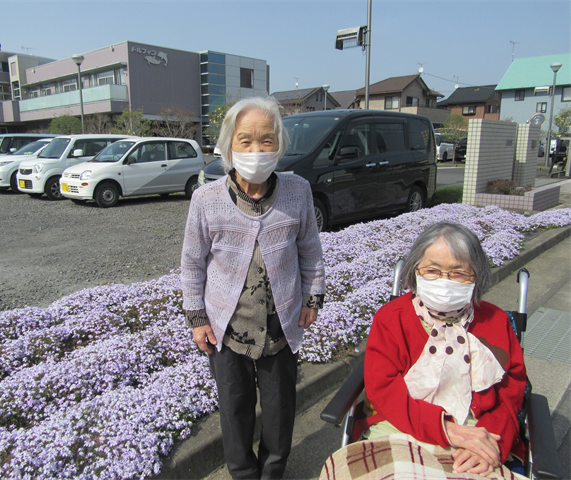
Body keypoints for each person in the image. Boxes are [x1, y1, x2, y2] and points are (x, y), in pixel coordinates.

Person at [181, 96, 326, 480]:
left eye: (266, 140)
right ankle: (244, 474)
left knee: (280, 413)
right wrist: (197, 318)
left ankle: (273, 473)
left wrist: (313, 297)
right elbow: (192, 263)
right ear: (229, 145)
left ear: (279, 145)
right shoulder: (206, 199)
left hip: (281, 326)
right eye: (245, 140)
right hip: (227, 330)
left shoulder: (298, 191)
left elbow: (310, 250)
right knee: (235, 410)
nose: (256, 150)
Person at [320, 223, 528, 480]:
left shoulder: (495, 322)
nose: (444, 281)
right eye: (432, 270)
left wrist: (492, 443)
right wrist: (447, 430)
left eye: (459, 273)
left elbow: (510, 393)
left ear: (477, 276)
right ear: (414, 272)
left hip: (477, 432)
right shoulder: (391, 319)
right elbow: (383, 390)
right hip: (398, 426)